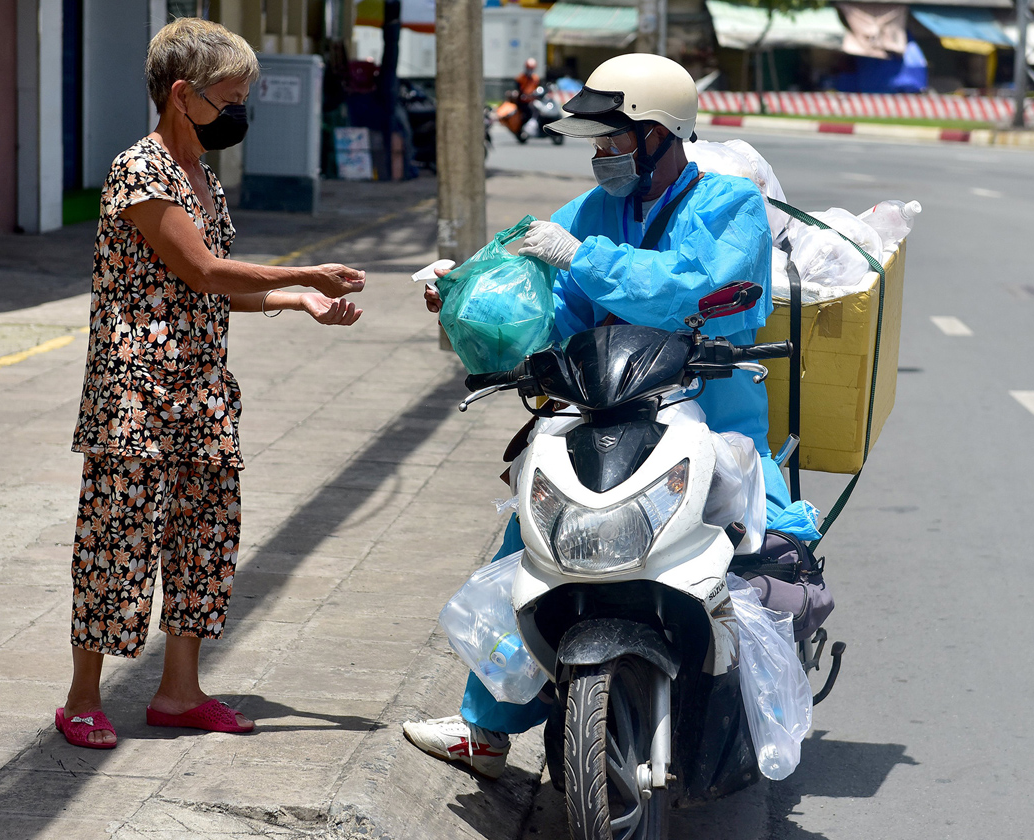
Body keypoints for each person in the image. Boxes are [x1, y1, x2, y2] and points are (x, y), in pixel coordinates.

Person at [405, 53, 788, 778]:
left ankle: (742, 716)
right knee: (533, 540)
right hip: (607, 411)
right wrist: (468, 290)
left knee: (751, 558)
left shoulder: (729, 206)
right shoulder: (592, 212)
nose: (601, 154)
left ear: (660, 134)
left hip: (708, 420)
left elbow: (695, 289)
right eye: (596, 142)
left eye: (613, 138)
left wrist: (584, 259)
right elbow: (552, 304)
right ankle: (485, 730)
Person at [56, 18, 366, 750]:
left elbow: (209, 291)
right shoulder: (141, 170)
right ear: (183, 94)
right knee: (117, 542)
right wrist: (302, 271)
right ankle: (80, 698)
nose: (240, 110)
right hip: (134, 394)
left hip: (200, 391)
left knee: (204, 539)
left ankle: (179, 692)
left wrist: (300, 302)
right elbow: (203, 270)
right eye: (231, 96)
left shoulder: (204, 176)